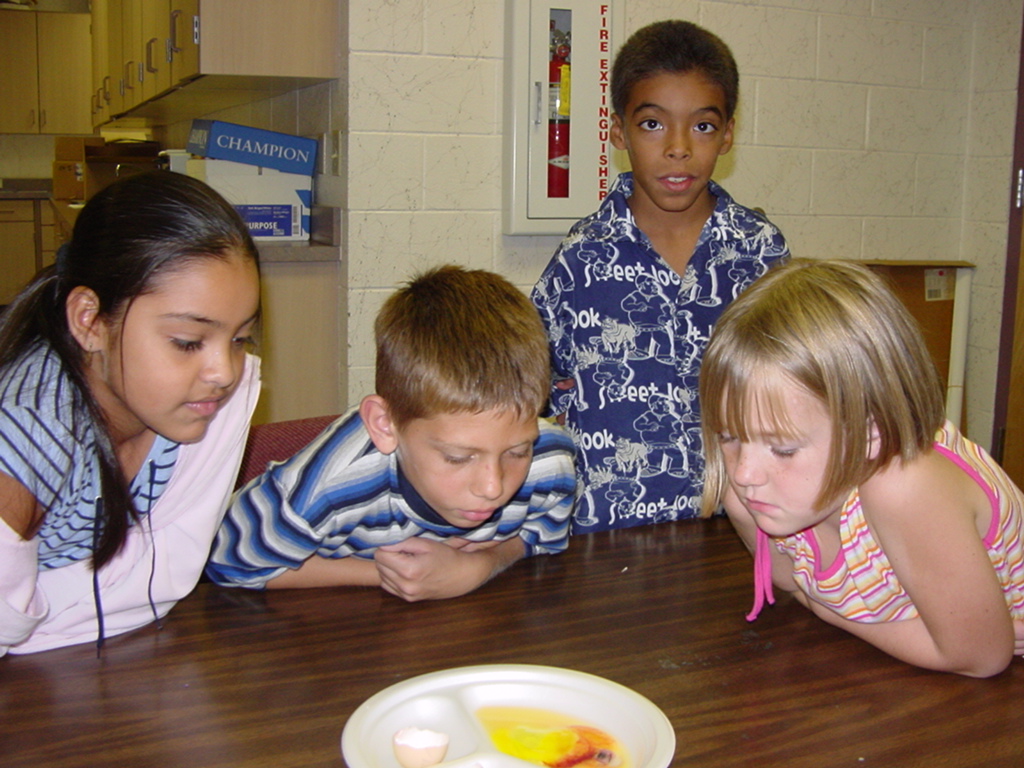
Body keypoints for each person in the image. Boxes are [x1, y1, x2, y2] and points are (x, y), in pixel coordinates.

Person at [700, 258, 1024, 678]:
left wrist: (832, 613)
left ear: (869, 433)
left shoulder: (904, 485)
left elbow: (981, 657)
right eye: (728, 436)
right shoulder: (759, 490)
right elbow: (788, 585)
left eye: (782, 449)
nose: (744, 473)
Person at [531, 19, 789, 533]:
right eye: (653, 124)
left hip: (735, 531)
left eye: (702, 125)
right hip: (600, 538)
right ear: (618, 131)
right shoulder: (581, 261)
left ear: (729, 132)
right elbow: (526, 396)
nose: (678, 147)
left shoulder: (762, 255)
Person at [0, 170, 262, 656]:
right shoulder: (28, 436)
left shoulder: (194, 400)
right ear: (91, 321)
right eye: (187, 342)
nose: (225, 372)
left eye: (240, 338)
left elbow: (168, 577)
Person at [206, 265, 577, 600]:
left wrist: (483, 565)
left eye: (516, 452)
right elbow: (226, 561)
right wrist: (387, 574)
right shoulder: (329, 484)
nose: (493, 487)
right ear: (385, 425)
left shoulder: (549, 461)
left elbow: (544, 532)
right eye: (458, 457)